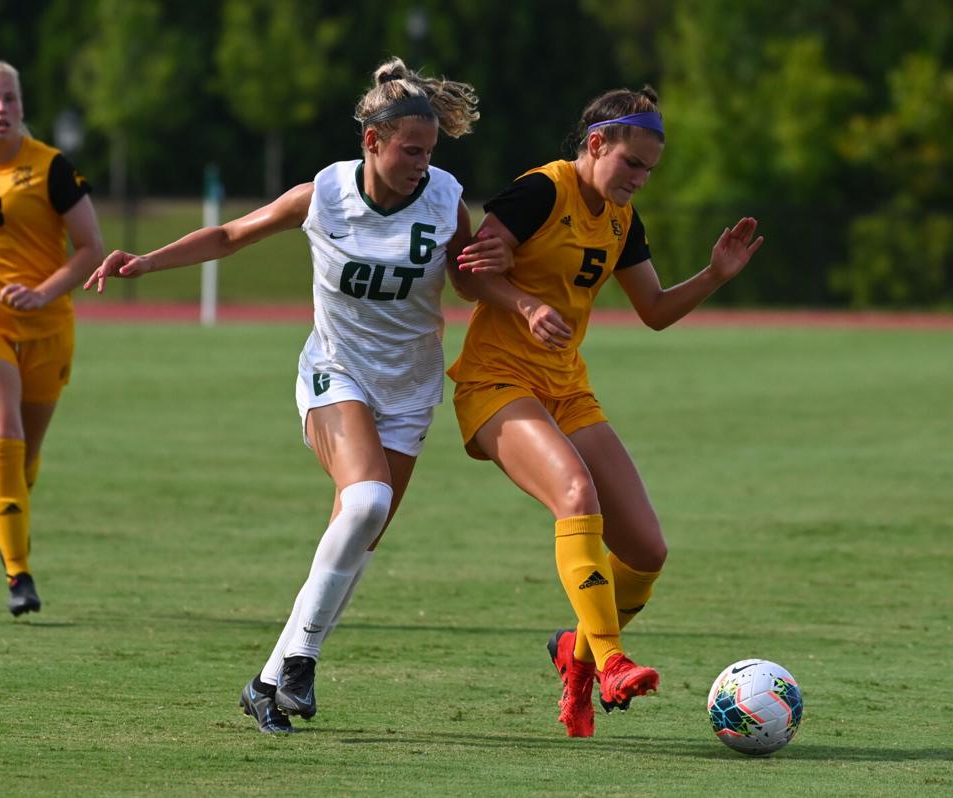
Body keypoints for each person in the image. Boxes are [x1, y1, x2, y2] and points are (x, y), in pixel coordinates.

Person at [84, 58, 510, 734]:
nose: (421, 164)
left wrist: (515, 289)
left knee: (359, 536)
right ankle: (304, 661)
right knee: (366, 499)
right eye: (409, 150)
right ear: (371, 141)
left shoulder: (442, 196)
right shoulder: (324, 194)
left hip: (409, 388)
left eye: (429, 152)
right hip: (335, 373)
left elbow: (465, 280)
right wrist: (145, 261)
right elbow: (230, 235)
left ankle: (266, 680)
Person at [447, 86, 763, 737]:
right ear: (596, 144)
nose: (640, 179)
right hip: (496, 381)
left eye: (649, 169)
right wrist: (525, 305)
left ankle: (576, 648)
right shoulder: (541, 192)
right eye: (633, 164)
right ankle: (610, 658)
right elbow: (468, 271)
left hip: (567, 388)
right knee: (575, 493)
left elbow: (652, 313)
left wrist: (713, 277)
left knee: (646, 550)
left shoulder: (622, 220)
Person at [0, 60, 103, 617]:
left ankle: (8, 518)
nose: (0, 110)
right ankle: (19, 575)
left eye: (9, 100)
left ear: (21, 107)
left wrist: (43, 293)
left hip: (46, 327)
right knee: (1, 428)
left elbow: (90, 247)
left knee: (26, 456)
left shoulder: (50, 168)